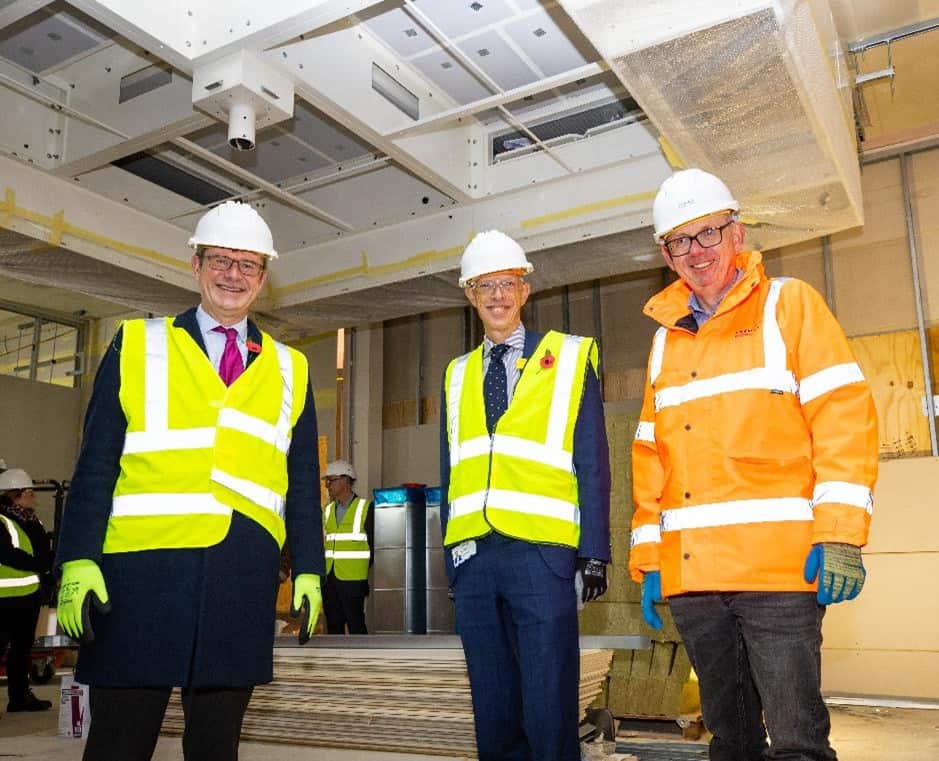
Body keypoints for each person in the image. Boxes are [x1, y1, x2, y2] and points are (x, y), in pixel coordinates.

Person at [54, 201, 325, 761]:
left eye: (248, 265)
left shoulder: (289, 368)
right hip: (139, 576)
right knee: (118, 744)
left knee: (215, 747)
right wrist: (77, 557)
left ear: (264, 278)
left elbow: (301, 482)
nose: (234, 275)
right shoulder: (137, 343)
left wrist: (311, 568)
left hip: (239, 575)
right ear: (196, 265)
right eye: (221, 260)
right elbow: (96, 464)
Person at [629, 169, 878, 761]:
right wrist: (650, 556)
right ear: (666, 255)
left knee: (796, 740)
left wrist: (840, 534)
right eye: (679, 243)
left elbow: (842, 415)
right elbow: (650, 455)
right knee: (731, 738)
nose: (696, 252)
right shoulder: (666, 340)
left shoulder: (789, 305)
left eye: (708, 233)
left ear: (736, 232)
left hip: (777, 575)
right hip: (695, 581)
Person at [439, 230, 611, 761]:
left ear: (525, 290)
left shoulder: (569, 357)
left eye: (507, 283)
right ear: (470, 295)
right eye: (484, 286)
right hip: (474, 558)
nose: (497, 295)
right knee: (493, 706)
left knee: (548, 702)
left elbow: (593, 460)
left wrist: (595, 551)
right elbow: (449, 470)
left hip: (542, 555)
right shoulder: (456, 373)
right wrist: (452, 559)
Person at [0, 468, 53, 713]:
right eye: (30, 492)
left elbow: (42, 551)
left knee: (21, 650)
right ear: (17, 494)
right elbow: (6, 554)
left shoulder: (32, 520)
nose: (34, 497)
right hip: (4, 597)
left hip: (28, 595)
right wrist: (40, 564)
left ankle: (19, 697)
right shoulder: (2, 520)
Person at [321, 459, 374, 634]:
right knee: (334, 628)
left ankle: (362, 661)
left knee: (356, 626)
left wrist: (361, 569)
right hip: (330, 580)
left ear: (345, 480)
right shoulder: (327, 511)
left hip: (353, 581)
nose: (327, 485)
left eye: (331, 480)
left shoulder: (365, 508)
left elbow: (374, 546)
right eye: (326, 481)